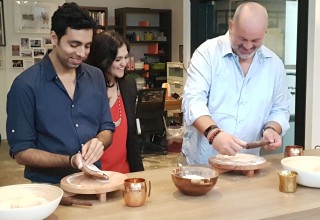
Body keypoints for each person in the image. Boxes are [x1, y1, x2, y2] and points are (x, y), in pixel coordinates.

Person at [6, 2, 115, 184]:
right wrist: (70, 160)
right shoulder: (25, 86)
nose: (81, 53)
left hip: (93, 182)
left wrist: (100, 142)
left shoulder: (95, 76)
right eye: (74, 44)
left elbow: (106, 127)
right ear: (54, 38)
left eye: (87, 46)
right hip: (49, 189)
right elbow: (21, 152)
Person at [182, 2, 290, 165]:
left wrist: (272, 129)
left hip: (248, 163)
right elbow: (193, 101)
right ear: (231, 25)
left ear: (265, 32)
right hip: (202, 164)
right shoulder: (207, 53)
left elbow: (280, 109)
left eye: (255, 40)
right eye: (242, 38)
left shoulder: (274, 64)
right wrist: (214, 134)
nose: (247, 46)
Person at [86, 30, 144, 173]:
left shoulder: (128, 86)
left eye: (126, 57)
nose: (124, 63)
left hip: (124, 174)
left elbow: (132, 139)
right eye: (118, 60)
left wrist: (139, 174)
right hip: (94, 175)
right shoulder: (85, 89)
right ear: (102, 60)